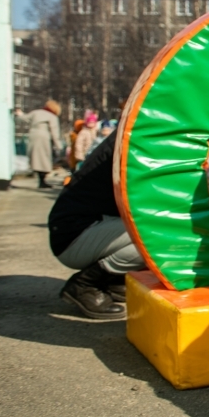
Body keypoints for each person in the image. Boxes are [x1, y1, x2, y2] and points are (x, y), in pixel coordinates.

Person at [48, 130, 146, 319]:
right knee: (156, 237)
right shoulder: (135, 141)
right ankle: (84, 285)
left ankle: (111, 281)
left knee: (157, 229)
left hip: (81, 228)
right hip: (74, 235)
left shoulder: (131, 133)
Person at [15, 100, 62, 188]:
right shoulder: (52, 117)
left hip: (33, 135)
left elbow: (25, 118)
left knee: (36, 158)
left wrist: (19, 114)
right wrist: (59, 146)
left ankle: (40, 179)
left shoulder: (36, 112)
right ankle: (43, 181)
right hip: (44, 137)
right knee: (44, 159)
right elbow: (55, 133)